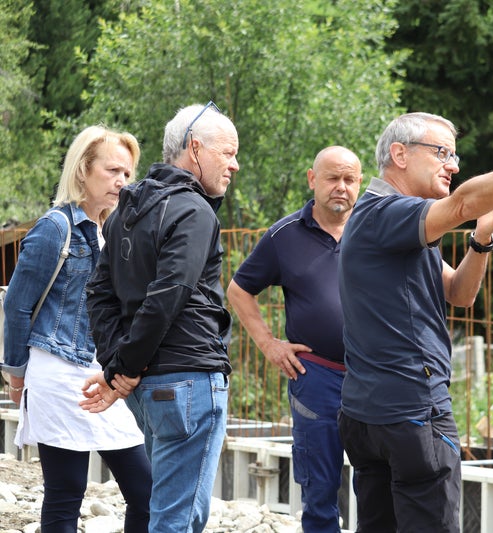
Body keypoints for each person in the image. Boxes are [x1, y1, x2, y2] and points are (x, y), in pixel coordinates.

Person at [337, 111, 493, 531]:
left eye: (455, 156)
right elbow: (464, 203)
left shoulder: (395, 222)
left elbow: (459, 294)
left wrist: (481, 239)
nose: (452, 165)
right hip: (411, 410)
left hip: (370, 414)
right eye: (442, 153)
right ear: (400, 155)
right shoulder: (387, 213)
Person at [79, 101, 238, 532]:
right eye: (228, 153)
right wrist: (124, 368)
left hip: (149, 388)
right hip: (188, 381)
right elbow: (168, 296)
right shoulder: (193, 210)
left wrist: (119, 368)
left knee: (174, 511)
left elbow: (100, 293)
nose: (234, 165)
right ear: (195, 148)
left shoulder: (127, 211)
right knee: (177, 519)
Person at [1, 125, 152, 532]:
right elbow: (16, 306)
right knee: (66, 493)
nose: (122, 181)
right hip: (57, 372)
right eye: (112, 170)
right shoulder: (55, 228)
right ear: (83, 170)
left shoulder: (116, 231)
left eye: (127, 173)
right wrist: (16, 376)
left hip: (103, 376)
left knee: (146, 492)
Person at [227, 146, 362, 532]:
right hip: (315, 377)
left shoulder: (372, 229)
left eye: (349, 179)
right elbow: (239, 290)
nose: (341, 187)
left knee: (376, 486)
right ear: (312, 179)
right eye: (333, 178)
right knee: (319, 489)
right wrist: (269, 344)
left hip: (372, 377)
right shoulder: (284, 235)